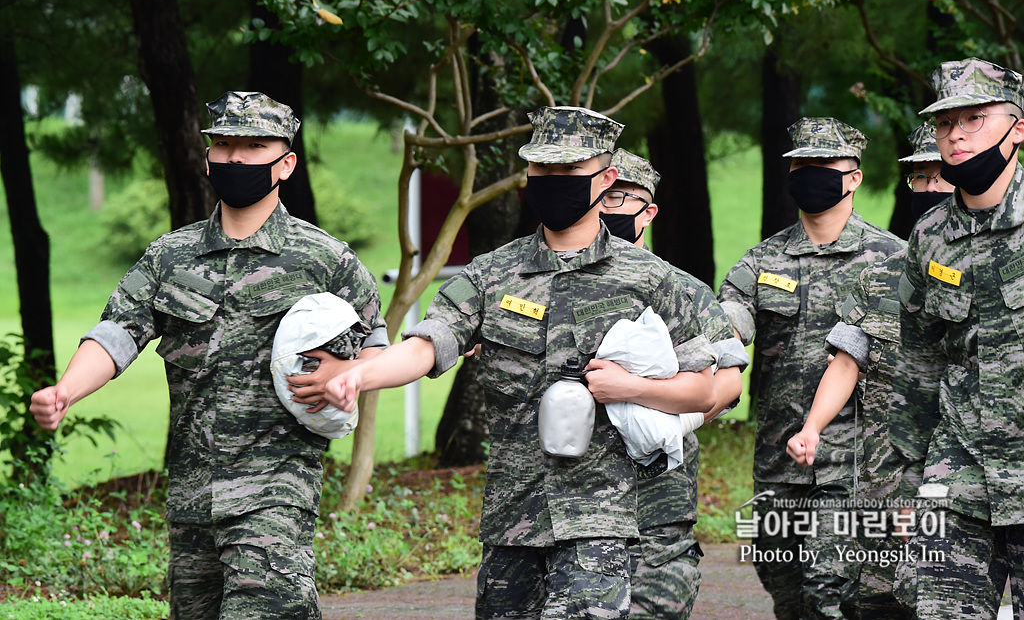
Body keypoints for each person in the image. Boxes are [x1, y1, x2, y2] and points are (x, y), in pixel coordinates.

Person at [323, 106, 718, 620]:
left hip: (597, 523)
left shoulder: (655, 281)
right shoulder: (492, 274)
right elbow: (429, 344)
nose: (553, 182)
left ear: (607, 177)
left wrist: (629, 387)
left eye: (568, 172)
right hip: (512, 526)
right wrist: (359, 372)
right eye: (542, 170)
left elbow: (704, 391)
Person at [30, 91, 388, 620]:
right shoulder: (170, 255)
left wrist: (349, 374)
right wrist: (66, 390)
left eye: (254, 145)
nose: (236, 158)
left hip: (275, 493)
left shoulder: (324, 260)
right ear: (208, 157)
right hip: (192, 499)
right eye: (223, 145)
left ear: (285, 162)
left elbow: (378, 348)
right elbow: (117, 333)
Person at [717, 117, 905, 620]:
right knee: (786, 592)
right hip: (779, 459)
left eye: (824, 165)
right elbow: (727, 328)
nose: (810, 174)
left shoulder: (892, 259)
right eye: (801, 165)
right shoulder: (762, 261)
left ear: (854, 178)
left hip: (857, 461)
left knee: (829, 592)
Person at [785, 123, 953, 619]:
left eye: (939, 176)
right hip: (881, 474)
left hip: (957, 473)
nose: (929, 189)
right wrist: (812, 428)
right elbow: (846, 360)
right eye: (918, 179)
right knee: (876, 601)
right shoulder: (879, 276)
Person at [891, 57, 1024, 619]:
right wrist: (905, 478)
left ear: (1017, 127)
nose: (957, 134)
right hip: (960, 465)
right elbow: (918, 357)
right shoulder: (930, 234)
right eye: (946, 123)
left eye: (976, 117)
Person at [598, 149, 748, 619]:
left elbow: (728, 386)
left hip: (657, 496)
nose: (610, 206)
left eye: (623, 196)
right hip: (565, 497)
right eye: (602, 194)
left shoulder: (683, 291)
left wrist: (661, 414)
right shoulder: (548, 285)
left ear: (649, 211)